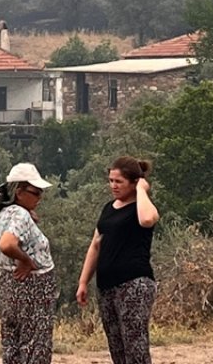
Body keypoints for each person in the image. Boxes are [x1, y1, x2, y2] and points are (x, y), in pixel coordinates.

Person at [75, 156, 160, 364]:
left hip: (134, 284)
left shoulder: (141, 208)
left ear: (134, 181)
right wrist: (83, 281)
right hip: (107, 286)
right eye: (111, 180)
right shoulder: (108, 209)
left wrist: (142, 190)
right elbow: (96, 244)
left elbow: (147, 220)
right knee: (117, 346)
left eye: (119, 181)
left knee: (135, 346)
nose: (113, 186)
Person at [0, 162, 56, 364]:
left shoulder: (3, 211)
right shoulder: (20, 215)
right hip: (33, 287)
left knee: (12, 342)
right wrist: (26, 261)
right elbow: (7, 244)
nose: (40, 198)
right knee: (35, 343)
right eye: (35, 193)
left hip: (10, 284)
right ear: (19, 192)